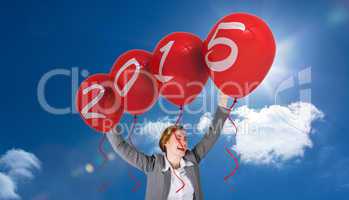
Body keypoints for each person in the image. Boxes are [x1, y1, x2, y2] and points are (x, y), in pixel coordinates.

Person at [107, 92, 230, 200]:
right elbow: (120, 146)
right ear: (166, 142)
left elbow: (212, 134)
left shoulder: (193, 159)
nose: (184, 142)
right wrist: (109, 118)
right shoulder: (152, 165)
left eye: (185, 139)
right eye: (178, 138)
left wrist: (223, 103)